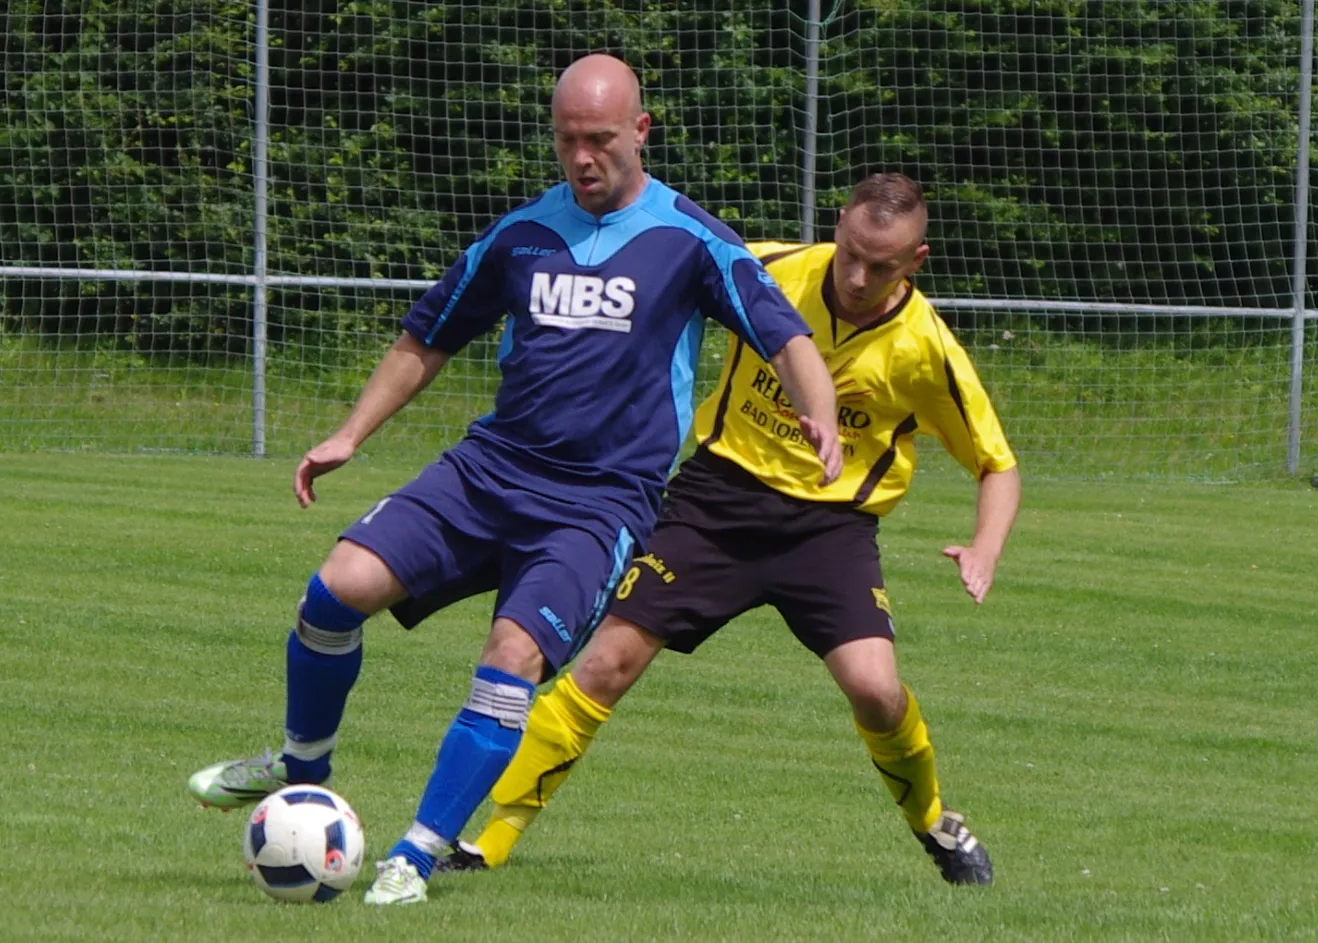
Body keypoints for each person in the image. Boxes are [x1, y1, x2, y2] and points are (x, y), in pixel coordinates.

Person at [186, 53, 844, 907]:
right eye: (567, 140)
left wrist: (819, 414)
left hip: (599, 502)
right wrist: (349, 432)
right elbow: (426, 337)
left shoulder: (691, 240)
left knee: (511, 656)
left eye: (599, 139)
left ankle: (415, 855)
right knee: (335, 589)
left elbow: (786, 337)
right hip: (490, 471)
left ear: (640, 131)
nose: (582, 158)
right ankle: (301, 765)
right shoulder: (521, 234)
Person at [437, 172, 1021, 886]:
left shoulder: (925, 348)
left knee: (875, 689)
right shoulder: (767, 269)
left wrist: (985, 547)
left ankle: (933, 820)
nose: (858, 277)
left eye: (883, 266)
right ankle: (489, 839)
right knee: (606, 662)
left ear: (916, 260)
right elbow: (656, 278)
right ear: (838, 225)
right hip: (713, 502)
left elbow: (997, 465)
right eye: (850, 254)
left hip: (829, 531)